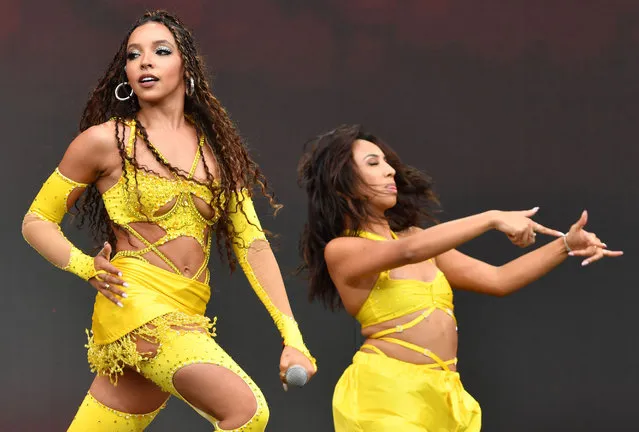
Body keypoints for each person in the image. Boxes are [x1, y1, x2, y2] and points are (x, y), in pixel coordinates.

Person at [22, 10, 316, 432]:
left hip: (187, 313)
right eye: (133, 54)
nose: (145, 61)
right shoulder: (106, 141)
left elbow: (252, 245)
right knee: (248, 412)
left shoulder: (217, 155)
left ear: (186, 67)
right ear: (124, 71)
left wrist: (293, 336)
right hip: (135, 306)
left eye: (161, 51)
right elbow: (36, 220)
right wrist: (85, 266)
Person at [297, 124, 622, 431]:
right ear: (342, 183)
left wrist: (565, 245)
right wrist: (492, 218)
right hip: (385, 395)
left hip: (448, 398)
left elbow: (498, 279)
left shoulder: (416, 238)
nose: (390, 169)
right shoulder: (343, 250)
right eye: (373, 162)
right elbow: (409, 253)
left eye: (386, 161)